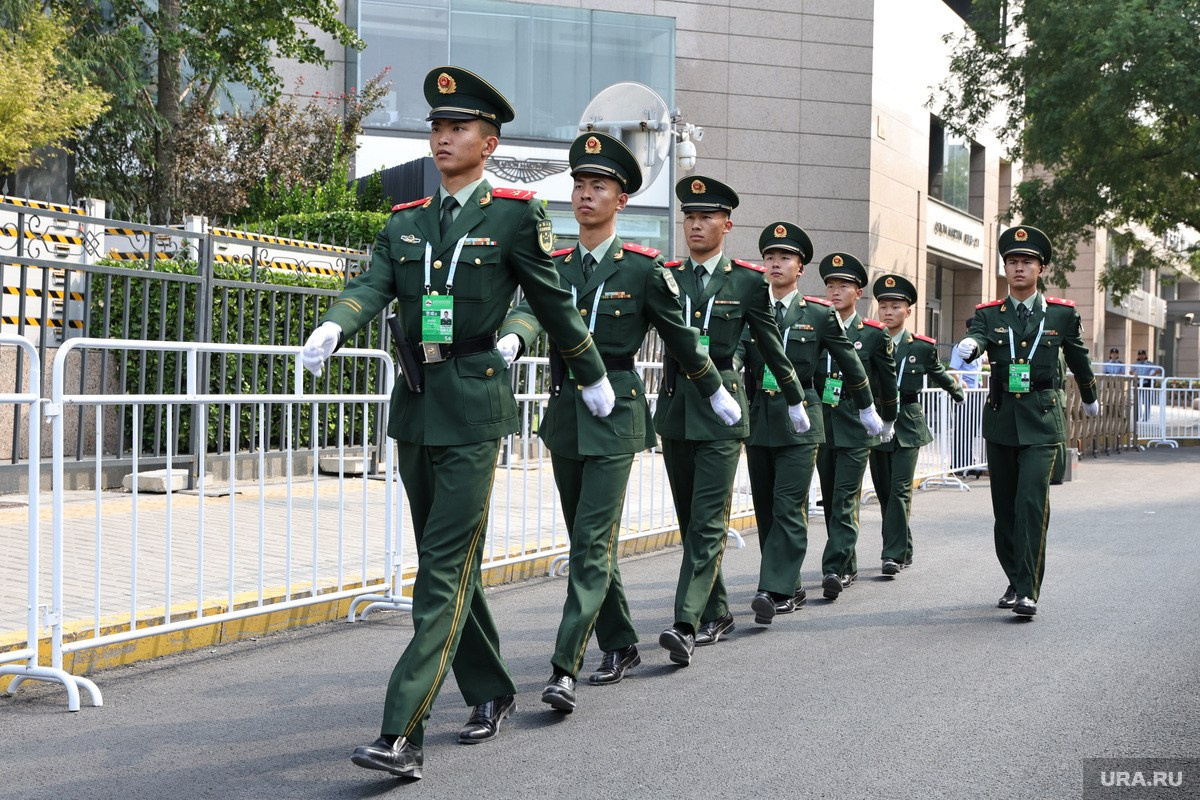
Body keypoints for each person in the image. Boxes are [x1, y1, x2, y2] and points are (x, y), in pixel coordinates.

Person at [301, 66, 615, 780]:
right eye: (437, 127)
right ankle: (493, 689)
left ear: (489, 140)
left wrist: (589, 371)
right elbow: (372, 283)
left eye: (458, 128)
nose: (443, 137)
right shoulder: (407, 219)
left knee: (439, 573)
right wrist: (334, 326)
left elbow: (550, 301)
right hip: (415, 406)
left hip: (474, 409)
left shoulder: (513, 214)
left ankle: (400, 732)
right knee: (453, 568)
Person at [497, 133, 740, 712]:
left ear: (621, 200)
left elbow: (681, 340)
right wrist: (513, 338)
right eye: (579, 185)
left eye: (598, 187)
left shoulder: (643, 271)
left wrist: (713, 389)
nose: (585, 195)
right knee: (588, 541)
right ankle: (621, 642)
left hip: (616, 417)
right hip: (565, 415)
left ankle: (564, 668)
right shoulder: (551, 265)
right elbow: (532, 310)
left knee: (589, 543)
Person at [653, 176, 814, 666]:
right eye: (689, 216)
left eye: (706, 217)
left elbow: (770, 346)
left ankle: (685, 621)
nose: (695, 224)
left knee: (707, 520)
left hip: (724, 410)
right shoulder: (665, 276)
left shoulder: (747, 282)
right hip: (677, 406)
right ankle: (718, 610)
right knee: (689, 520)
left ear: (727, 224)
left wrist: (793, 399)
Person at [955, 224, 1099, 617]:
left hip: (1042, 420)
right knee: (1005, 510)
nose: (1019, 268)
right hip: (1002, 419)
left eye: (1027, 262)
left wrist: (1089, 396)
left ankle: (1028, 589)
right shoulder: (988, 315)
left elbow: (1078, 357)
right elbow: (980, 338)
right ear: (1004, 268)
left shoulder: (1061, 314)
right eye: (1012, 262)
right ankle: (1015, 577)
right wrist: (969, 346)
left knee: (1031, 503)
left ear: (1041, 268)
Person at [739, 222, 876, 625]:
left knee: (787, 504)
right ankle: (790, 581)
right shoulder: (750, 308)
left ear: (800, 268)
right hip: (759, 418)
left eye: (785, 257)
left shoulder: (817, 314)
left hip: (803, 418)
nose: (776, 263)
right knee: (765, 506)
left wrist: (868, 408)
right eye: (770, 257)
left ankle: (774, 589)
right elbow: (736, 355)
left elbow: (850, 363)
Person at [867, 274, 964, 575]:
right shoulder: (868, 339)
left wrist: (956, 390)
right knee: (883, 491)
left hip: (907, 423)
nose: (888, 311)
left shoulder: (920, 346)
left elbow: (937, 371)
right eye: (883, 305)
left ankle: (891, 554)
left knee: (899, 491)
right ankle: (904, 546)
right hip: (875, 421)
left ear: (908, 311)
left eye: (895, 306)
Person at [813, 253, 897, 598]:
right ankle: (847, 563)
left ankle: (833, 567)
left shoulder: (873, 335)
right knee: (831, 498)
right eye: (831, 285)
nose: (835, 291)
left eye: (843, 285)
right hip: (822, 421)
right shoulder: (814, 323)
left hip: (855, 421)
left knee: (846, 496)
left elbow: (887, 381)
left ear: (857, 293)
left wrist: (887, 417)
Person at [1132, 349, 1158, 422]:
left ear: (1145, 355)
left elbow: (1158, 370)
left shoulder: (1149, 364)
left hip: (1146, 383)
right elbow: (1131, 371)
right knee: (1137, 401)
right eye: (1140, 355)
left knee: (1147, 401)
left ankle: (1146, 417)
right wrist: (1135, 376)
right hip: (1138, 383)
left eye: (1143, 355)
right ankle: (1137, 416)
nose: (1141, 356)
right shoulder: (1136, 364)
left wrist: (1151, 376)